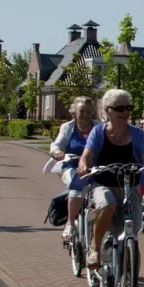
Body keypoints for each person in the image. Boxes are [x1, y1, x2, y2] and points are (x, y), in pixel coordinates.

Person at [78, 89, 144, 269]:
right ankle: (94, 248)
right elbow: (87, 155)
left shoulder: (136, 133)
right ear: (107, 110)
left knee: (131, 235)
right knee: (108, 204)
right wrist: (83, 166)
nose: (126, 112)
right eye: (120, 108)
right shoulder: (98, 132)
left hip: (131, 185)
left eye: (128, 108)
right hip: (103, 183)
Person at [49, 96, 96, 242]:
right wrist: (57, 152)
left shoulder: (99, 127)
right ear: (74, 113)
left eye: (88, 112)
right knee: (77, 184)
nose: (85, 115)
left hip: (93, 167)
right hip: (71, 166)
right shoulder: (67, 127)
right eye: (82, 111)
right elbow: (56, 144)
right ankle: (70, 223)